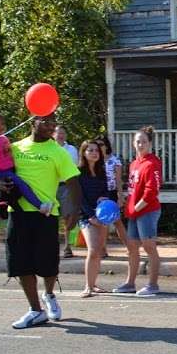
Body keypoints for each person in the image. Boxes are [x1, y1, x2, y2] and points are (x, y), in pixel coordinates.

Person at [0, 114, 81, 329]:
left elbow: (73, 183)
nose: (50, 126)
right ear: (33, 121)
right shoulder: (14, 147)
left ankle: (50, 294)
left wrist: (75, 211)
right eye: (45, 122)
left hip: (46, 214)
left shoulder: (58, 152)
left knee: (48, 263)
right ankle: (35, 310)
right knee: (21, 262)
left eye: (53, 123)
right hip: (18, 212)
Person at [113, 126, 163, 297]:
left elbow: (152, 191)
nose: (140, 144)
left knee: (149, 246)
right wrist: (129, 207)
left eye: (143, 141)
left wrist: (137, 207)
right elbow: (132, 189)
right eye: (137, 141)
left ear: (150, 143)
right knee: (132, 247)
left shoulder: (152, 163)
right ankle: (130, 283)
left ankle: (153, 284)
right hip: (134, 212)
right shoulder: (135, 164)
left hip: (147, 211)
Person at [0, 111, 52, 215]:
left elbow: (7, 153)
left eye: (2, 124)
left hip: (9, 170)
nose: (1, 126)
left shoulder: (3, 138)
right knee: (22, 185)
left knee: (15, 193)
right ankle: (40, 206)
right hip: (1, 172)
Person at [76, 139, 112, 297]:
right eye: (90, 150)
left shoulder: (102, 171)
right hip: (86, 216)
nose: (94, 153)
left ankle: (94, 284)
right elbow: (79, 198)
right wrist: (90, 216)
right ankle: (87, 287)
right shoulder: (78, 172)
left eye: (96, 150)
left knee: (99, 251)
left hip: (102, 215)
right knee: (92, 250)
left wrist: (104, 198)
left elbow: (107, 192)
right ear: (83, 153)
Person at [54, 124, 80, 258]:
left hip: (66, 185)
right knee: (50, 217)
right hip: (50, 185)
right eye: (58, 132)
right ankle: (49, 246)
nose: (60, 135)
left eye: (63, 132)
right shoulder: (49, 148)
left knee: (68, 217)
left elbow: (73, 167)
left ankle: (67, 246)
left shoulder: (71, 149)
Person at [97, 136, 128, 246]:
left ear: (106, 146)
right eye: (97, 145)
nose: (99, 147)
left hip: (111, 193)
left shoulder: (115, 160)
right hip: (99, 194)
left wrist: (120, 196)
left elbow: (118, 180)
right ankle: (103, 249)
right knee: (102, 222)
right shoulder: (95, 161)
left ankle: (129, 247)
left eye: (101, 144)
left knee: (117, 221)